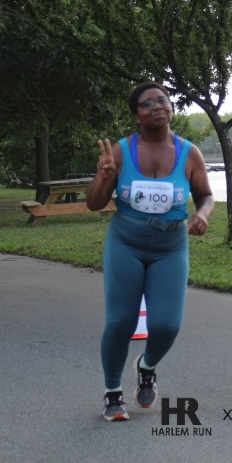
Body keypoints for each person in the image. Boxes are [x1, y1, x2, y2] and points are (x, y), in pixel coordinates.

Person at [86, 82, 214, 422]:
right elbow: (94, 203)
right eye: (147, 104)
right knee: (120, 322)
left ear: (171, 108)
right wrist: (104, 177)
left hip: (171, 247)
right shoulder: (120, 151)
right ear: (136, 116)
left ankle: (147, 365)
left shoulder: (189, 153)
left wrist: (202, 214)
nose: (157, 106)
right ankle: (113, 392)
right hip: (126, 243)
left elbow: (205, 195)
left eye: (162, 100)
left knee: (167, 325)